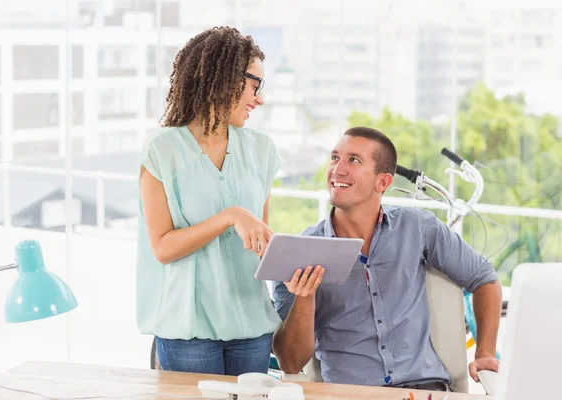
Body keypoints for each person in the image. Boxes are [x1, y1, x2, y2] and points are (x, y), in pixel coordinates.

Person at [272, 127, 502, 391]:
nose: (337, 169)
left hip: (425, 390)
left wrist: (485, 353)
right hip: (351, 394)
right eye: (335, 158)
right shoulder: (298, 253)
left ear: (383, 182)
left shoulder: (418, 226)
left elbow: (484, 278)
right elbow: (290, 363)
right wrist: (305, 296)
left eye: (353, 160)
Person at [136, 26, 281, 376]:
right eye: (254, 85)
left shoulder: (262, 150)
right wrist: (229, 216)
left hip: (252, 327)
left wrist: (290, 268)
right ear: (226, 79)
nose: (258, 98)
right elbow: (163, 247)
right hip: (189, 331)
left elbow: (260, 238)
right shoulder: (162, 150)